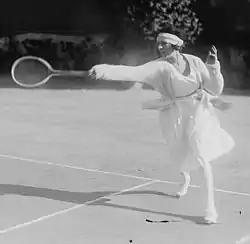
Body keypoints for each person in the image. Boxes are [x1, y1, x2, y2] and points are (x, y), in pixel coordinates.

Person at [89, 32, 235, 224]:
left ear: (176, 45)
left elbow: (215, 89)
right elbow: (132, 72)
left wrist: (213, 67)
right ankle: (186, 179)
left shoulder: (195, 62)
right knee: (180, 153)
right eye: (158, 44)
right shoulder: (159, 67)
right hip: (174, 113)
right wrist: (103, 70)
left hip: (199, 111)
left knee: (200, 155)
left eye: (164, 44)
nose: (160, 47)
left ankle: (211, 208)